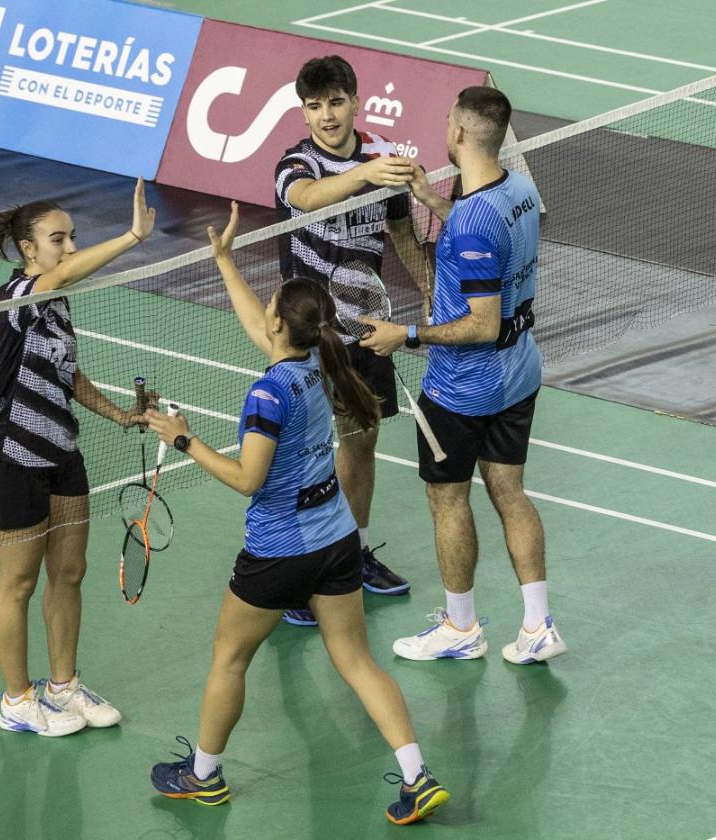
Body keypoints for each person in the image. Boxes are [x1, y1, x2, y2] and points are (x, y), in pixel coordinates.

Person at [146, 203, 449, 826]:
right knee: (357, 661)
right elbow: (256, 327)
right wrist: (224, 261)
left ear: (281, 321)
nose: (266, 310)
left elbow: (245, 479)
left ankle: (202, 777)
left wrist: (183, 439)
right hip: (337, 538)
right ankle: (418, 775)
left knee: (229, 658)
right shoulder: (316, 362)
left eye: (273, 303)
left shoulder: (267, 393)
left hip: (280, 550)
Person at [361, 87, 566, 665]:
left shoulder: (474, 223)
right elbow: (485, 243)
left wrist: (408, 335)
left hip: (463, 388)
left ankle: (461, 627)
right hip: (519, 371)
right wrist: (434, 200)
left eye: (448, 120)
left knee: (448, 500)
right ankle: (537, 625)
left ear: (457, 134)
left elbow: (479, 322)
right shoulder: (520, 189)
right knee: (511, 492)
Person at [0, 178, 157, 736]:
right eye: (59, 239)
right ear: (29, 250)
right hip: (11, 459)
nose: (71, 247)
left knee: (70, 573)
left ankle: (63, 687)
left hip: (62, 456)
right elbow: (64, 274)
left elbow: (67, 373)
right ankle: (17, 700)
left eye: (73, 237)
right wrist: (131, 236)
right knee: (20, 583)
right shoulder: (18, 296)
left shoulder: (55, 303)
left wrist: (121, 415)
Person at [272, 55, 432, 625]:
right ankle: (297, 569)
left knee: (360, 443)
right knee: (306, 456)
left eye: (335, 102)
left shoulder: (380, 156)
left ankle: (348, 554)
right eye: (314, 106)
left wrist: (435, 297)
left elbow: (402, 235)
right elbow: (310, 199)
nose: (326, 116)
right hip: (307, 338)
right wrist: (367, 172)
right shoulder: (295, 163)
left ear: (355, 100)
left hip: (367, 331)